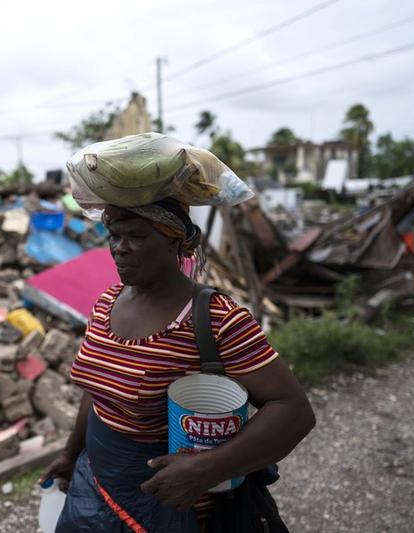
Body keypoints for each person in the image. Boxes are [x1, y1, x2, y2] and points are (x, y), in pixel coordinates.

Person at [39, 197, 316, 532]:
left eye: (136, 236)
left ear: (175, 241)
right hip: (95, 480)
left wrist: (209, 468)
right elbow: (98, 392)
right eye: (114, 235)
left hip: (167, 501)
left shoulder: (216, 319)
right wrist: (71, 453)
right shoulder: (106, 303)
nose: (119, 248)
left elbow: (293, 410)